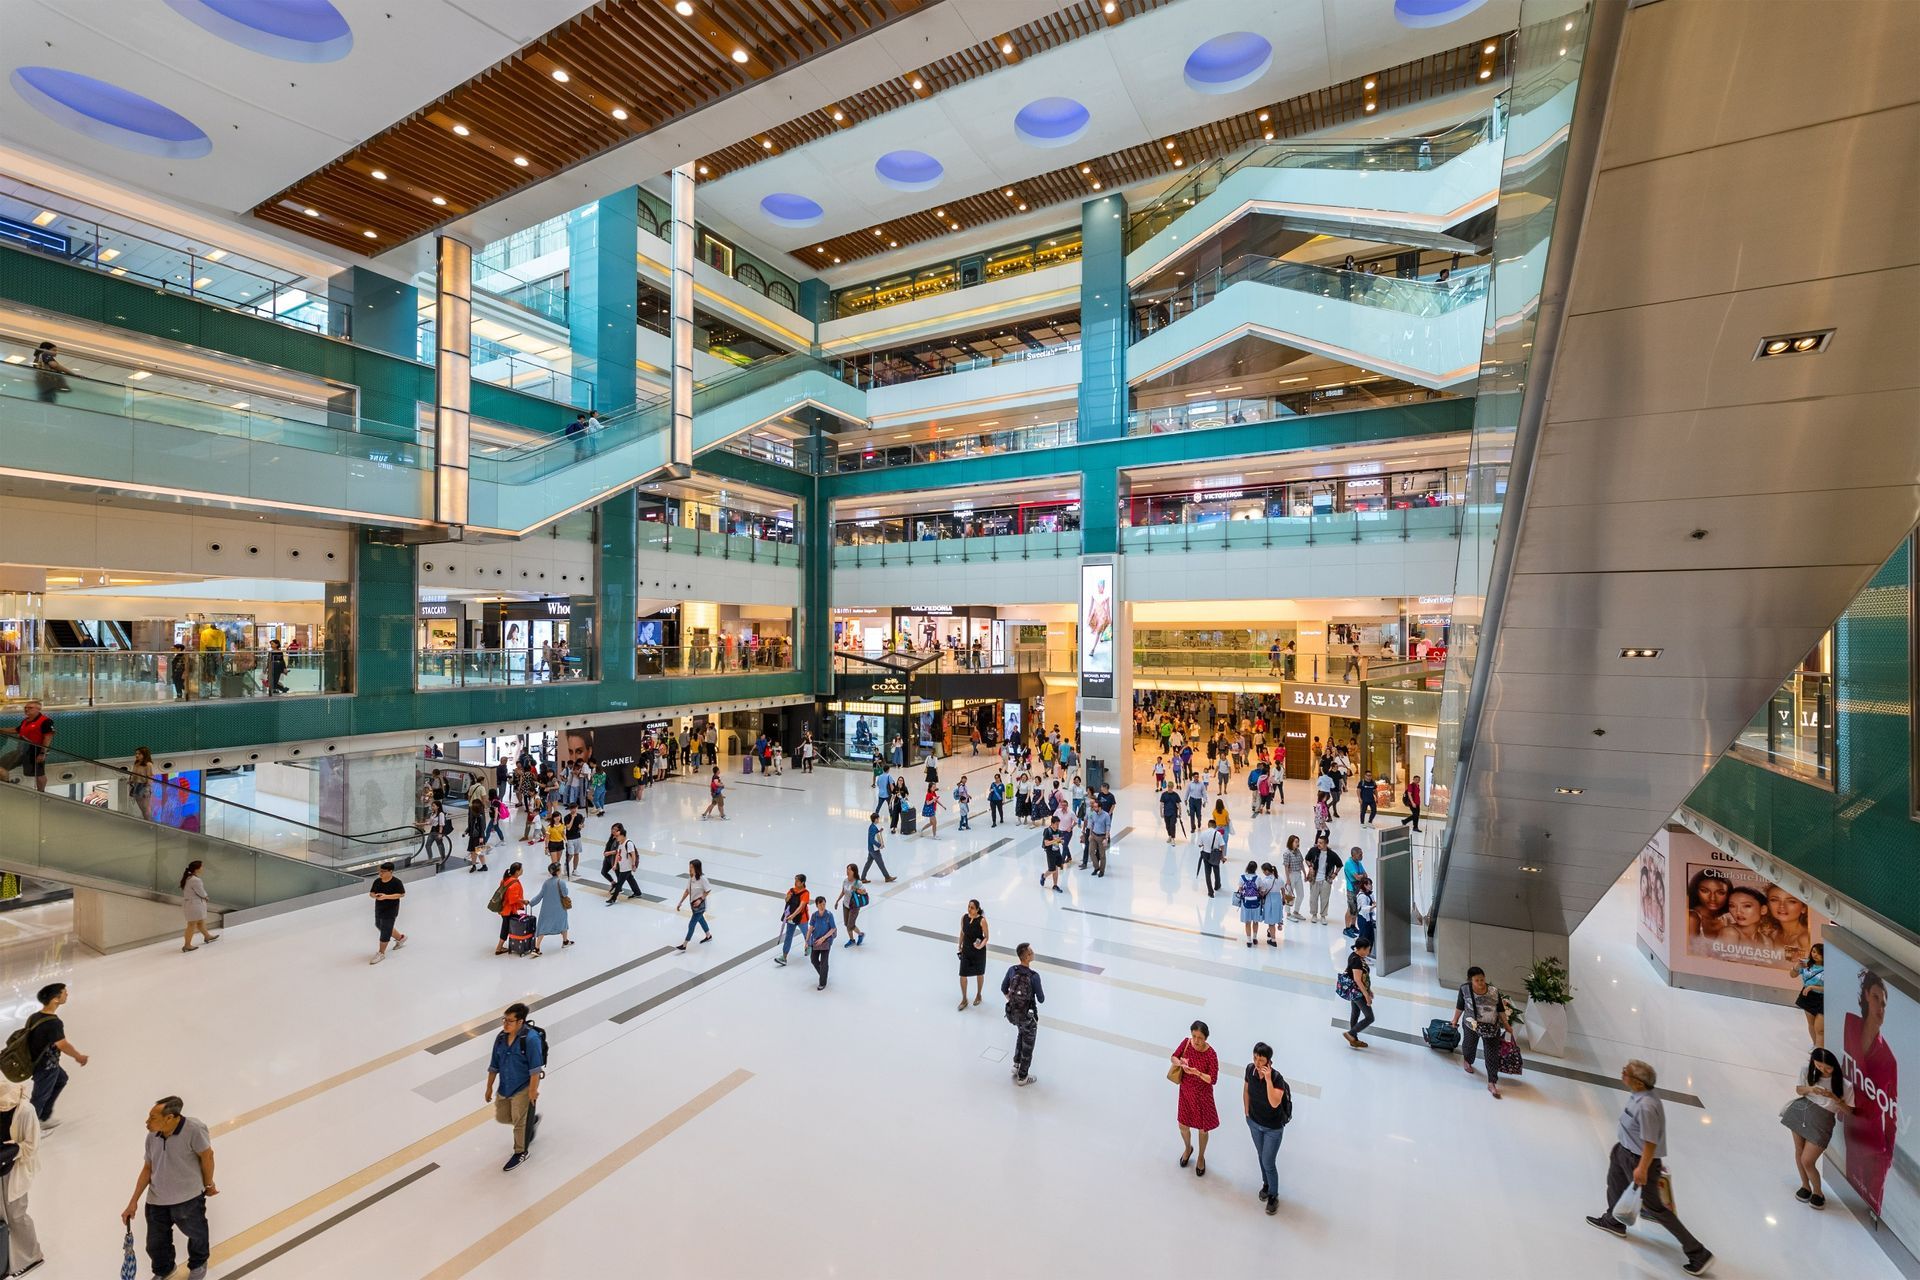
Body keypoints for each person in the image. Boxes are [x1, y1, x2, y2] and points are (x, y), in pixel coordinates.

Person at [1586, 1060, 1715, 1276]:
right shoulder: (1640, 1096)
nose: (1622, 1073)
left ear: (1637, 1082)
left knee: (1655, 1208)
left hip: (1638, 1160)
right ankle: (1613, 1221)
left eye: (1624, 1072)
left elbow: (1650, 1141)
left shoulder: (1647, 1106)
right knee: (1615, 1184)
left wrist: (1643, 1168)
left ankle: (1697, 1252)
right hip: (1624, 1152)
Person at [119, 1096, 215, 1280]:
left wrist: (208, 1184)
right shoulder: (152, 1136)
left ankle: (199, 1263)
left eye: (152, 1118)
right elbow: (148, 1167)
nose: (147, 1122)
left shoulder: (194, 1129)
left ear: (170, 1117)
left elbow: (207, 1156)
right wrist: (133, 1202)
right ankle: (165, 1270)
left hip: (188, 1198)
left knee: (196, 1234)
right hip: (156, 1200)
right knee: (155, 1244)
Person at [1783, 1046, 1853, 1209]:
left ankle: (1818, 1192)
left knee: (1808, 1160)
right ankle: (1805, 1186)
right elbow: (1799, 1090)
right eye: (1819, 1066)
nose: (1824, 1070)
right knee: (1799, 1152)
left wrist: (1834, 1098)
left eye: (1828, 1067)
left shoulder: (1844, 1085)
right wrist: (1811, 1089)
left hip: (1823, 1120)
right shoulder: (1807, 1070)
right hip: (1801, 1111)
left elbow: (1849, 1111)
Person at [484, 1003, 544, 1171]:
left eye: (510, 1021)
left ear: (520, 1021)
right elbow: (494, 1064)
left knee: (519, 1122)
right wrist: (489, 1086)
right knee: (502, 1117)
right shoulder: (501, 1037)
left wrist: (533, 1091)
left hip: (523, 1087)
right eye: (504, 1019)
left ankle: (521, 1152)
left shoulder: (531, 1040)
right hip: (505, 1085)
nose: (505, 1024)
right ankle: (529, 1123)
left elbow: (535, 1069)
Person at [22, 983, 85, 1129]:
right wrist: (78, 1056)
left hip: (43, 1063)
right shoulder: (54, 1023)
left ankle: (44, 1117)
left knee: (61, 1080)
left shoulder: (35, 1016)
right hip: (45, 1067)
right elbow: (62, 1045)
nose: (67, 994)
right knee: (39, 1097)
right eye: (64, 992)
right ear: (55, 999)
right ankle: (30, 1129)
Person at [0, 1075, 44, 1273]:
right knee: (3, 1216)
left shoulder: (26, 1111)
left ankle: (31, 1257)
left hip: (15, 1169)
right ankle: (7, 1260)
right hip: (2, 1167)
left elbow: (32, 1146)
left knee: (17, 1215)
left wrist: (13, 1150)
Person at [1243, 1042, 1290, 1215]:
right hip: (1254, 1123)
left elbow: (1274, 1102)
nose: (1257, 1063)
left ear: (1269, 1062)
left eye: (1261, 1060)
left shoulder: (1277, 1079)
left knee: (1268, 1162)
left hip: (1272, 1128)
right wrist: (1247, 1111)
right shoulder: (1249, 1070)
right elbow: (1246, 1090)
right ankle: (1266, 1184)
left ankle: (1273, 1195)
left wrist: (1268, 1079)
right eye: (1255, 1058)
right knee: (1261, 1156)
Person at [1171, 1020, 1220, 1176]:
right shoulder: (1186, 1043)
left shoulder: (1211, 1054)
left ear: (1206, 1038)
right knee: (1183, 1125)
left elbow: (1213, 1079)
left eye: (1200, 1037)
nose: (1196, 1040)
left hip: (1202, 1096)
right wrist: (1180, 1063)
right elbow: (1173, 1057)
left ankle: (1201, 1156)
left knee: (1202, 1130)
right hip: (1186, 1092)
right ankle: (1188, 1148)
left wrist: (1197, 1072)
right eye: (1194, 1036)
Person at [1451, 966, 1509, 1098]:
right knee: (1469, 1045)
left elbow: (1500, 1009)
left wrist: (1506, 1025)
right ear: (1470, 980)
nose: (1481, 983)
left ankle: (1492, 1082)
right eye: (1477, 980)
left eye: (1482, 980)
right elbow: (1460, 1006)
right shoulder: (1464, 989)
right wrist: (1455, 1020)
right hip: (1471, 1025)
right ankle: (1467, 1060)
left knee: (1492, 1054)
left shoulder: (1493, 991)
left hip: (1491, 1027)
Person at [1002, 942, 1045, 1086]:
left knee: (1021, 1034)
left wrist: (1013, 1000)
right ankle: (1023, 1077)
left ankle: (1016, 1065)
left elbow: (1003, 988)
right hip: (1028, 1017)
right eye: (1031, 952)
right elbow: (1041, 999)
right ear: (1026, 957)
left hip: (1013, 1015)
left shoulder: (1012, 970)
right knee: (1028, 1045)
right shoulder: (1034, 976)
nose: (1033, 953)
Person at [4, 701, 54, 793]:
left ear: (38, 709)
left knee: (39, 773)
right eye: (25, 708)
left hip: (35, 751)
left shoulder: (45, 721)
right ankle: (6, 789)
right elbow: (16, 730)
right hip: (22, 749)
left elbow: (48, 737)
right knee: (3, 766)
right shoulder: (26, 720)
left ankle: (41, 793)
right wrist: (1, 730)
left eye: (30, 708)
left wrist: (42, 753)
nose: (26, 709)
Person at [368, 863, 408, 964]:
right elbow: (371, 893)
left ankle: (381, 953)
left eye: (383, 871)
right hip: (379, 908)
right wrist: (374, 896)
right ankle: (400, 938)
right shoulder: (377, 881)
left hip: (391, 909)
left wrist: (386, 896)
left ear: (390, 871)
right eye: (379, 871)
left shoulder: (396, 882)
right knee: (378, 925)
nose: (380, 873)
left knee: (385, 929)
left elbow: (401, 894)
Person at [1340, 937, 1375, 1048]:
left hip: (1354, 991)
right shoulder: (1356, 961)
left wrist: (1369, 990)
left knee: (1355, 1014)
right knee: (1369, 1017)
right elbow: (1357, 980)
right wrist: (1366, 995)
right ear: (1362, 949)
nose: (1369, 952)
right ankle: (1350, 1034)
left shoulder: (1355, 956)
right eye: (1368, 950)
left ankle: (1353, 1040)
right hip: (1357, 993)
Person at [531, 862, 572, 954]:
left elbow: (540, 895)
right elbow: (565, 894)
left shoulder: (546, 883)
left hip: (546, 910)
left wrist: (531, 903)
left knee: (543, 926)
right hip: (559, 908)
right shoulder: (561, 882)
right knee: (563, 923)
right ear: (558, 872)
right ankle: (565, 941)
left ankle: (537, 948)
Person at [957, 900, 989, 1009]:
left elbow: (986, 937)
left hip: (978, 952)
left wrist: (980, 946)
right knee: (962, 974)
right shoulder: (964, 918)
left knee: (979, 973)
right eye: (968, 907)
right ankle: (964, 999)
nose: (969, 909)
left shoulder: (982, 921)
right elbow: (962, 932)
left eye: (972, 907)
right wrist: (959, 945)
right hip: (966, 950)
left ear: (977, 909)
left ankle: (979, 994)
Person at [179, 861, 217, 952]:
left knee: (200, 921)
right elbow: (200, 892)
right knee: (191, 924)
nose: (202, 868)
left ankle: (207, 936)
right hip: (195, 905)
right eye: (201, 867)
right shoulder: (195, 880)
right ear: (197, 869)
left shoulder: (189, 878)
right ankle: (187, 945)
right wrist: (206, 897)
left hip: (192, 904)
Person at [1794, 943, 1826, 1045]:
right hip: (1808, 996)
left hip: (1823, 998)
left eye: (1819, 953)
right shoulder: (1807, 963)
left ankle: (1820, 1049)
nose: (1815, 955)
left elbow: (1831, 988)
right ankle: (1815, 1045)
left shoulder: (1830, 968)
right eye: (1813, 951)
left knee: (1820, 1028)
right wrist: (1796, 966)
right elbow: (1792, 975)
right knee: (1811, 1024)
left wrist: (1813, 987)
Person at [493, 864, 528, 956]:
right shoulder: (515, 883)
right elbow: (513, 899)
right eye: (521, 869)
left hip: (503, 909)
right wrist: (523, 901)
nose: (522, 870)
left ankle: (504, 946)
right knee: (505, 928)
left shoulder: (505, 880)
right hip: (508, 911)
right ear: (517, 871)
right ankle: (499, 948)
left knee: (507, 927)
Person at [776, 875, 811, 967]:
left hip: (801, 919)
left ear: (802, 882)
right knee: (788, 936)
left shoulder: (806, 893)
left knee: (806, 935)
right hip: (791, 919)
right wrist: (788, 897)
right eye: (795, 880)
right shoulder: (792, 890)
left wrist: (793, 915)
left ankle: (810, 946)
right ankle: (784, 957)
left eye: (797, 881)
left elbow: (801, 907)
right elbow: (786, 900)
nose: (795, 882)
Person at [1304, 838, 1340, 925]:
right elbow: (1307, 859)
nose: (1318, 844)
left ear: (1326, 844)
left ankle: (1323, 916)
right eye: (1318, 842)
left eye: (1320, 843)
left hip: (1326, 880)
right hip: (1314, 879)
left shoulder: (1332, 854)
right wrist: (1310, 867)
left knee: (1325, 899)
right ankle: (1314, 915)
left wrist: (1335, 874)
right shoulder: (1313, 850)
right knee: (1313, 899)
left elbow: (1339, 865)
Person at [806, 896, 838, 990]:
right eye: (820, 904)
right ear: (816, 905)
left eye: (824, 904)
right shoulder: (814, 915)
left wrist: (823, 938)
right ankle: (823, 973)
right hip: (816, 940)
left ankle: (822, 982)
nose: (822, 906)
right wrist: (807, 941)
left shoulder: (829, 915)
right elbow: (810, 928)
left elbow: (833, 928)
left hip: (826, 941)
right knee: (813, 959)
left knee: (824, 962)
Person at [606, 826, 642, 904]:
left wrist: (633, 865)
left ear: (622, 835)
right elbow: (618, 854)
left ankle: (613, 898)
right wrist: (615, 864)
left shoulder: (629, 843)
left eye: (617, 836)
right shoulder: (620, 844)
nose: (616, 838)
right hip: (623, 866)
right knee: (630, 879)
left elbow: (633, 855)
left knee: (619, 883)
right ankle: (637, 892)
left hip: (627, 867)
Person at [835, 864, 868, 947]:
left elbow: (864, 892)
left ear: (854, 871)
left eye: (849, 870)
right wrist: (837, 901)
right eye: (847, 869)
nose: (847, 871)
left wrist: (856, 889)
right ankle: (852, 939)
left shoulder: (858, 882)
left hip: (854, 906)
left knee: (850, 925)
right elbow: (843, 892)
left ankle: (860, 934)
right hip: (845, 904)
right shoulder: (845, 881)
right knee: (847, 924)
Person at [1236, 861, 1267, 947]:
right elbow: (1262, 890)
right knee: (1255, 921)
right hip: (1256, 903)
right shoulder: (1258, 878)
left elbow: (1240, 889)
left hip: (1246, 903)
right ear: (1255, 869)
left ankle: (1249, 941)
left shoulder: (1242, 877)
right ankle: (1255, 938)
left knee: (1247, 922)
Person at [1281, 836, 1306, 923]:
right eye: (1296, 842)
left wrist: (1305, 873)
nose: (1297, 843)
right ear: (1291, 842)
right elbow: (1286, 867)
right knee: (1289, 895)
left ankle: (1296, 911)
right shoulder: (1286, 853)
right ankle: (1288, 914)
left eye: (1298, 842)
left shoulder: (1298, 851)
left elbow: (1301, 863)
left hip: (1298, 874)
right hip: (1291, 875)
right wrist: (1287, 879)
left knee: (1301, 894)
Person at [1039, 816, 1068, 894]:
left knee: (1056, 868)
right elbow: (1046, 843)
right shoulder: (1047, 831)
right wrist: (1055, 840)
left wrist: (1061, 841)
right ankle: (1044, 876)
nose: (1058, 825)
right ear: (1052, 823)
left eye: (1058, 824)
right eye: (1056, 824)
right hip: (1050, 852)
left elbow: (1061, 841)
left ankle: (1055, 885)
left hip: (1057, 851)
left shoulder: (1059, 831)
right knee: (1052, 869)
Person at [1084, 799, 1113, 876]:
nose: (1094, 808)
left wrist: (1106, 839)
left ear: (1100, 807)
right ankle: (1096, 867)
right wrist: (1090, 834)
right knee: (1091, 852)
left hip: (1102, 837)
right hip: (1093, 835)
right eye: (1093, 807)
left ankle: (1102, 871)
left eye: (1096, 807)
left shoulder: (1106, 815)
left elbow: (1108, 827)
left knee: (1102, 855)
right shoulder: (1093, 814)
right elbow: (1092, 824)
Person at [562, 803, 585, 878]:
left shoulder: (580, 816)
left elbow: (580, 827)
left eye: (575, 808)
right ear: (570, 809)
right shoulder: (566, 817)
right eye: (572, 808)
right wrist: (572, 818)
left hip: (578, 837)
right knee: (571, 854)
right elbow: (568, 828)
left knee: (576, 854)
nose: (574, 810)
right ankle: (566, 864)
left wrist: (581, 826)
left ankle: (575, 870)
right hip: (570, 838)